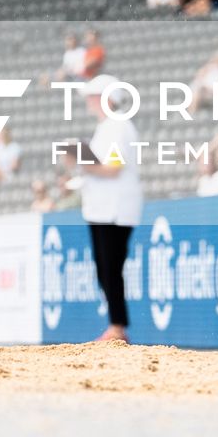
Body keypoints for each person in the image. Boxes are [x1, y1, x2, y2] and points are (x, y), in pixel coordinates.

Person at [77, 78, 141, 343]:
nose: (89, 102)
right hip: (103, 207)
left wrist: (84, 164)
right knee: (105, 268)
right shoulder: (109, 128)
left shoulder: (118, 127)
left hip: (114, 208)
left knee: (110, 267)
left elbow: (113, 169)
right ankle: (116, 325)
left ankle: (117, 327)